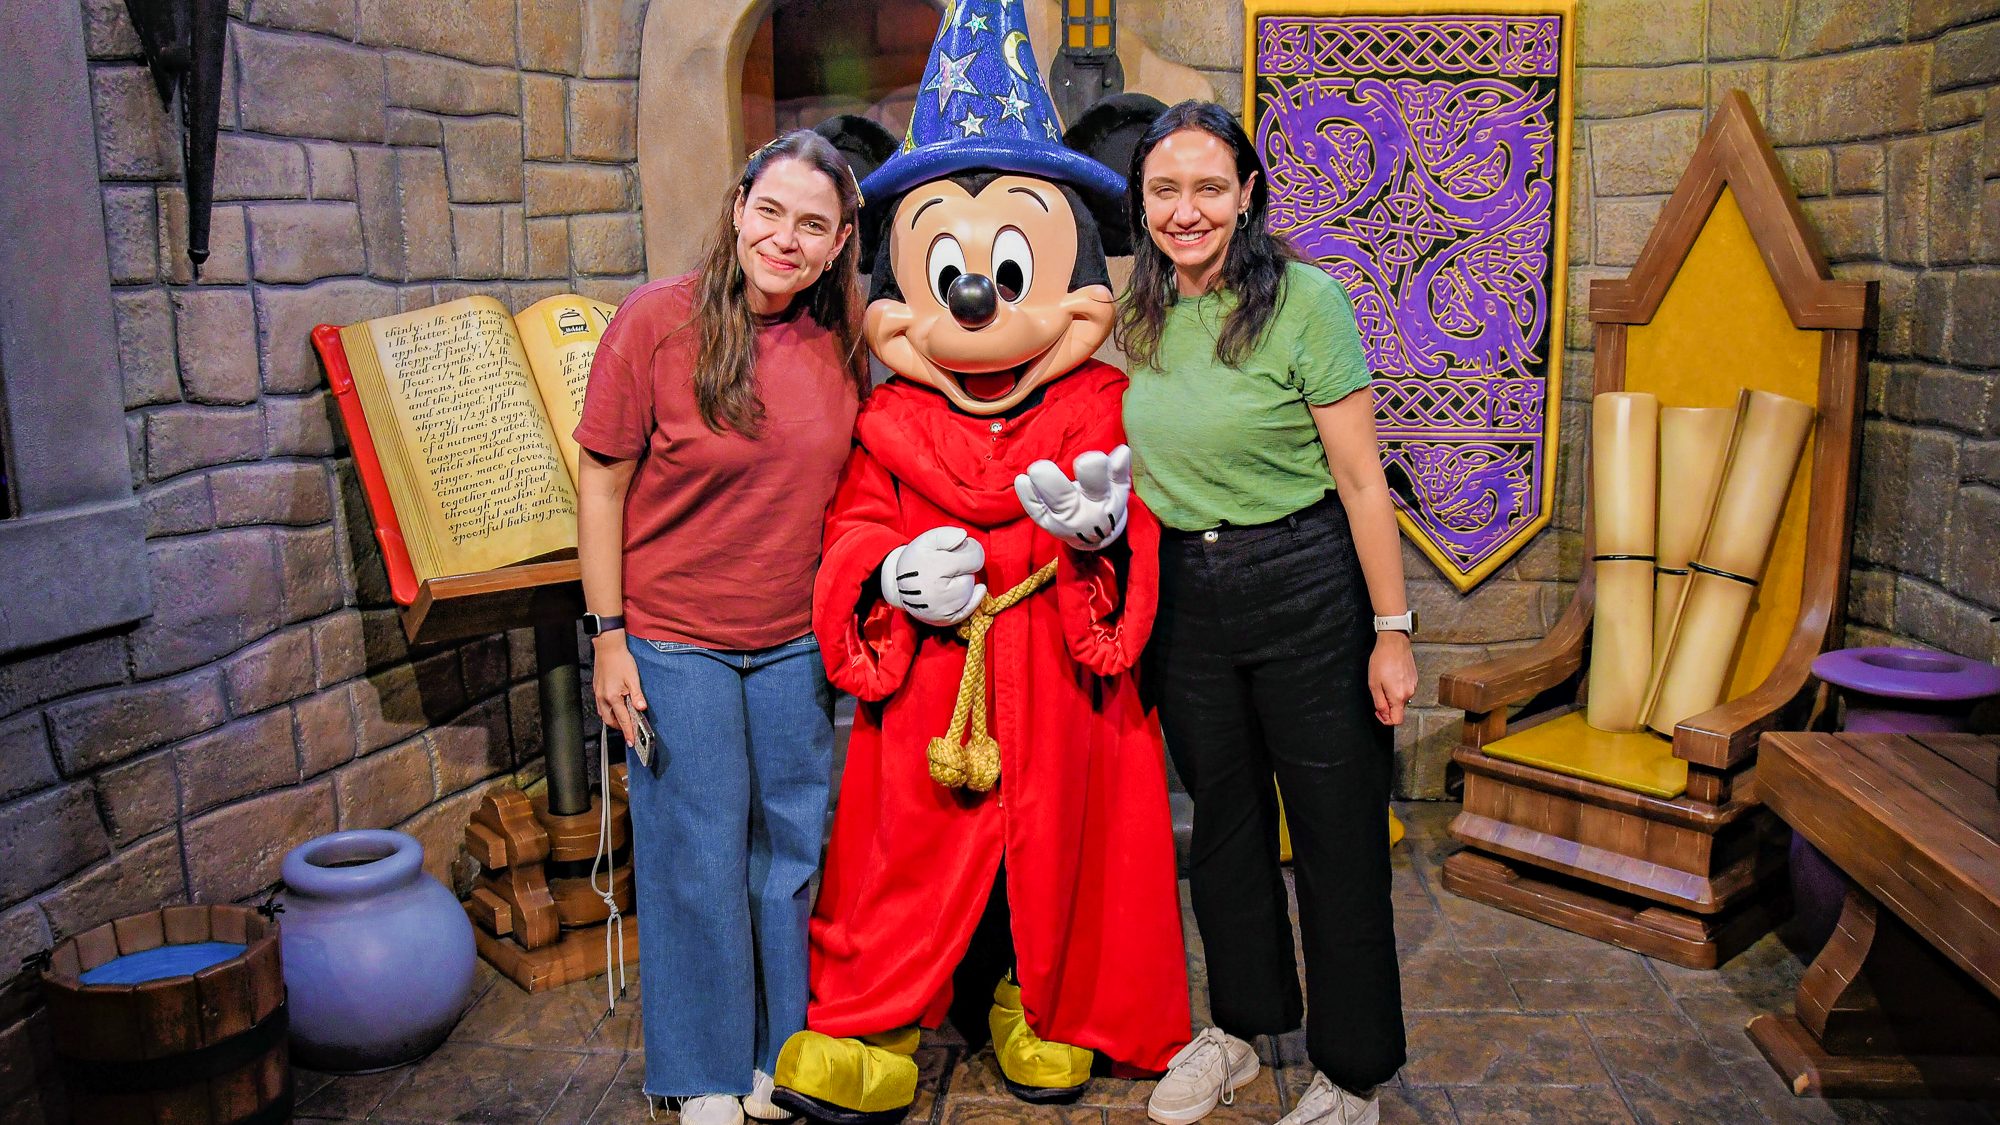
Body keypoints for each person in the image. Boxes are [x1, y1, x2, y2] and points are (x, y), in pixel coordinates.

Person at [1120, 101, 1416, 1125]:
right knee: (1224, 827)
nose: (1186, 210)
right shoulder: (1135, 312)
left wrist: (1391, 633)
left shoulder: (1306, 301)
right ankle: (1240, 1029)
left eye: (1208, 188)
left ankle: (1352, 1075)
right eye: (1165, 189)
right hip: (1185, 599)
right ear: (1141, 202)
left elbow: (1362, 481)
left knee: (1337, 835)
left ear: (1246, 194)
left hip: (1305, 583)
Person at [573, 129, 865, 1125]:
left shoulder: (844, 340)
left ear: (838, 242)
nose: (786, 238)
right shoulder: (656, 322)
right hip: (673, 639)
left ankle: (779, 1056)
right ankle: (704, 1070)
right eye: (770, 211)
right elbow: (601, 483)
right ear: (739, 208)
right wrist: (607, 635)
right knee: (695, 854)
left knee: (789, 851)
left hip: (794, 641)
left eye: (812, 224)